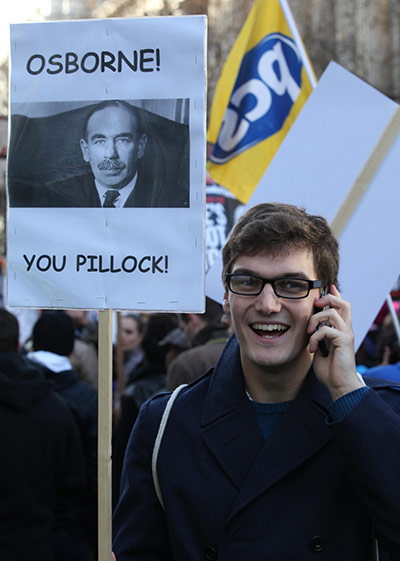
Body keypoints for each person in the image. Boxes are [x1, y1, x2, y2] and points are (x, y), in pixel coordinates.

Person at [112, 202, 400, 560]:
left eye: (291, 284)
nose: (267, 304)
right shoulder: (163, 423)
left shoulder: (380, 414)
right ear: (226, 295)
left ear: (327, 300)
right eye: (248, 281)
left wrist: (345, 390)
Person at [0, 308, 89, 560]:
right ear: (18, 345)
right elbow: (74, 490)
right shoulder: (58, 409)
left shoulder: (59, 408)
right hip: (41, 546)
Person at [28, 310, 98, 557]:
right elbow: (94, 472)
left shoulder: (11, 389)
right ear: (71, 349)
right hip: (68, 528)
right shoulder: (89, 400)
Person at [32, 100, 189, 208]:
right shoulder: (54, 197)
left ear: (140, 147)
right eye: (100, 141)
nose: (111, 154)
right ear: (85, 150)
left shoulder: (172, 201)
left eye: (122, 140)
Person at [165, 297, 229, 391]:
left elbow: (173, 404)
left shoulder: (187, 363)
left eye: (183, 328)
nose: (185, 334)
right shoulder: (244, 350)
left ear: (192, 317)